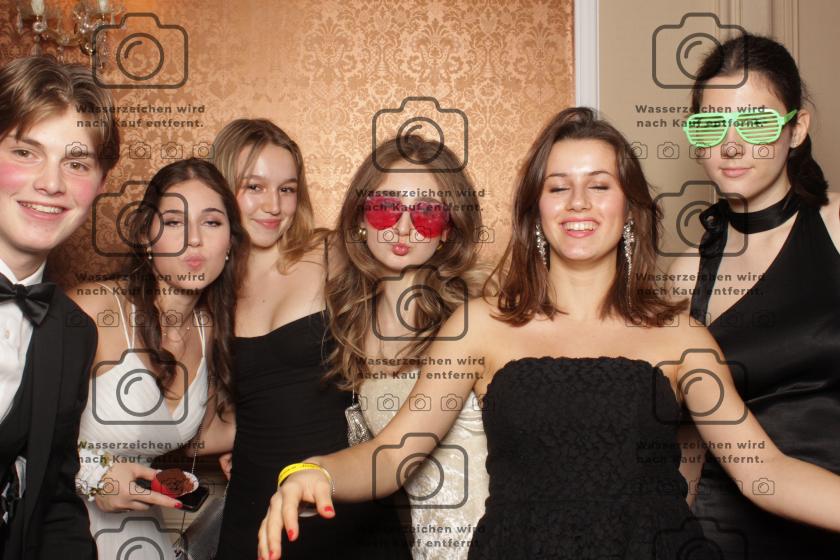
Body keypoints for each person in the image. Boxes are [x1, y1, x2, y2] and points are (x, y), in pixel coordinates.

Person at [256, 107, 840, 560]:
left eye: (599, 185)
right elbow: (394, 454)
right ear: (536, 209)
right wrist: (313, 471)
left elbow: (763, 472)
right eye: (559, 187)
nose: (578, 202)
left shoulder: (681, 337)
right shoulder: (478, 327)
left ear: (629, 207)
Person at [203, 118, 411, 559]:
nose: (273, 206)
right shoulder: (209, 285)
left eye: (287, 189)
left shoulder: (332, 253)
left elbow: (418, 291)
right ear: (220, 187)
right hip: (254, 499)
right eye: (254, 187)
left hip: (341, 495)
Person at [668, 33, 840, 558]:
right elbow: (687, 442)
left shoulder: (837, 227)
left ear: (797, 129)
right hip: (727, 534)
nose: (731, 145)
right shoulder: (686, 275)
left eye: (756, 123)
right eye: (711, 125)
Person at [69, 158, 246, 559]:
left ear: (230, 243)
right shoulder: (95, 309)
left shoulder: (210, 330)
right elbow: (21, 431)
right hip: (66, 529)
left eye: (211, 222)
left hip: (142, 539)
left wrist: (261, 447)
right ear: (146, 235)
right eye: (174, 222)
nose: (194, 240)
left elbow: (204, 435)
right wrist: (94, 477)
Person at [326, 135, 489, 559]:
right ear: (360, 218)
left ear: (448, 228)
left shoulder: (477, 318)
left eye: (427, 213)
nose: (402, 227)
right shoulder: (348, 324)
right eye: (385, 207)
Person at [0, 55, 118, 560]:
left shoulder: (74, 333)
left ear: (102, 183)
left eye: (76, 163)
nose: (51, 183)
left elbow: (52, 508)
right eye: (25, 152)